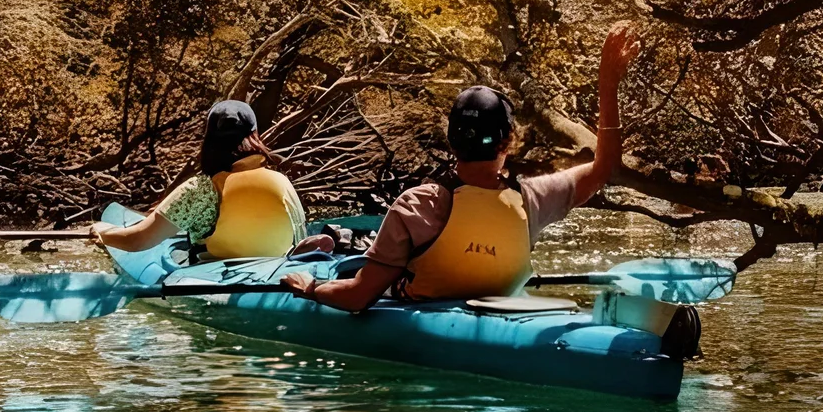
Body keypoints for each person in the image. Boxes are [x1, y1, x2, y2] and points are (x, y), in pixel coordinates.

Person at [281, 23, 640, 311]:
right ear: (508, 141)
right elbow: (602, 167)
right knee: (357, 248)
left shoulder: (417, 204)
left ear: (451, 141)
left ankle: (332, 244)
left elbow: (358, 297)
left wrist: (311, 287)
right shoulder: (533, 199)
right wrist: (608, 85)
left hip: (410, 306)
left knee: (354, 253)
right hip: (499, 312)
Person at [91, 99, 310, 259]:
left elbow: (138, 240)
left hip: (215, 275)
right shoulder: (279, 179)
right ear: (255, 134)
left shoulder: (201, 188)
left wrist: (104, 233)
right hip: (276, 270)